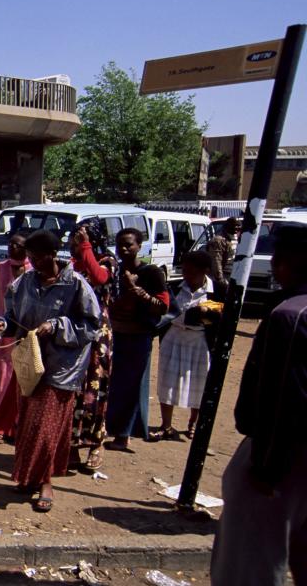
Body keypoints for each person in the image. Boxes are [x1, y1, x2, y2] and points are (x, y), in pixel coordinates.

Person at [211, 223, 307, 586]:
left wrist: (265, 468)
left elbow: (282, 399)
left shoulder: (290, 317)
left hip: (282, 462)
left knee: (250, 561)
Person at [0, 230, 100, 513]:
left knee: (47, 427)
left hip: (61, 368)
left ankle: (46, 483)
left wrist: (57, 326)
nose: (33, 262)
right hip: (30, 364)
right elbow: (12, 315)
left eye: (38, 257)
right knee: (27, 423)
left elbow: (91, 326)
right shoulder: (24, 283)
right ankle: (28, 477)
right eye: (31, 257)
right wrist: (3, 324)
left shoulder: (75, 285)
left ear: (53, 255)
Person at [104, 227, 169, 451]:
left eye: (129, 244)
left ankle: (124, 435)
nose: (123, 249)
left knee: (132, 386)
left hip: (138, 337)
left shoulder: (151, 273)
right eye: (120, 244)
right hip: (117, 335)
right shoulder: (115, 271)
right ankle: (113, 430)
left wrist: (136, 290)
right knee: (114, 384)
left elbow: (163, 306)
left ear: (139, 246)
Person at [69, 218, 118, 470]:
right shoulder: (73, 264)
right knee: (74, 389)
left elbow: (98, 279)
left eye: (84, 237)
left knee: (95, 389)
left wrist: (86, 247)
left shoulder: (107, 261)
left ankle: (96, 441)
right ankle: (73, 443)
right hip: (75, 334)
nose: (77, 242)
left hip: (98, 334)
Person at [154, 250, 218, 441]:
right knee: (167, 381)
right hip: (174, 338)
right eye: (185, 271)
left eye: (193, 272)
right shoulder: (174, 288)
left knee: (199, 383)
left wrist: (206, 314)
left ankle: (194, 423)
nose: (188, 276)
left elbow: (223, 319)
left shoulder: (217, 291)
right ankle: (166, 425)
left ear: (205, 271)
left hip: (199, 342)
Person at [0, 231, 30, 444]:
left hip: (26, 333)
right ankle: (0, 425)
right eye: (11, 244)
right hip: (2, 329)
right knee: (1, 378)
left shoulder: (33, 271)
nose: (13, 248)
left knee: (23, 378)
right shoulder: (0, 268)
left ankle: (18, 423)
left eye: (19, 245)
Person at [206, 217, 239, 294]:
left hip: (232, 274)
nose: (237, 228)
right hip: (222, 276)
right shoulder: (218, 240)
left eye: (238, 226)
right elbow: (216, 261)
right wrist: (221, 279)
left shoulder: (235, 238)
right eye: (235, 226)